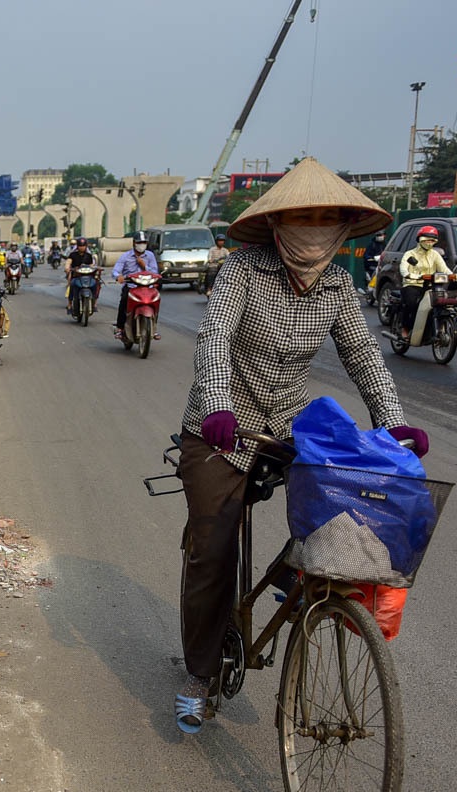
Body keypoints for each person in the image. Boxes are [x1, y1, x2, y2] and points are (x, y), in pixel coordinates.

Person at [174, 157, 429, 734]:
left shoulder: (338, 284)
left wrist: (392, 422)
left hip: (288, 427)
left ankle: (296, 575)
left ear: (340, 228)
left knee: (348, 505)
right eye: (303, 217)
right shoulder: (242, 271)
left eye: (325, 219)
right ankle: (198, 671)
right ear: (279, 224)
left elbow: (363, 356)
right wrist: (216, 405)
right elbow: (214, 340)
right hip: (223, 429)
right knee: (213, 551)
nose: (314, 228)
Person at [397, 224, 451, 338]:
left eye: (432, 240)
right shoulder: (410, 254)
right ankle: (406, 327)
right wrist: (413, 275)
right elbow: (403, 270)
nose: (429, 243)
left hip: (431, 286)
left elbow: (444, 269)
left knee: (442, 302)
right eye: (426, 240)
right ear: (419, 240)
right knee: (412, 304)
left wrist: (455, 276)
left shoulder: (435, 254)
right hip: (412, 285)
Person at [112, 231, 160, 339]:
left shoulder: (150, 256)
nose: (142, 244)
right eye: (140, 242)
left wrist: (144, 266)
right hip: (131, 286)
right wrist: (118, 276)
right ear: (134, 243)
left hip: (147, 287)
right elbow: (115, 270)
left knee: (156, 299)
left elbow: (155, 272)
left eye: (144, 242)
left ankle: (154, 326)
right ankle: (120, 328)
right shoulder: (126, 256)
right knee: (124, 301)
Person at [65, 236, 96, 310]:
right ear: (77, 246)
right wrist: (67, 268)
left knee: (95, 283)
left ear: (86, 246)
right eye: (80, 246)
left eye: (83, 246)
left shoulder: (89, 256)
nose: (82, 247)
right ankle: (70, 303)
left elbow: (92, 265)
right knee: (72, 284)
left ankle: (94, 302)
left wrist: (94, 269)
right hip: (76, 276)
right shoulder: (73, 255)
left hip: (88, 276)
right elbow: (68, 262)